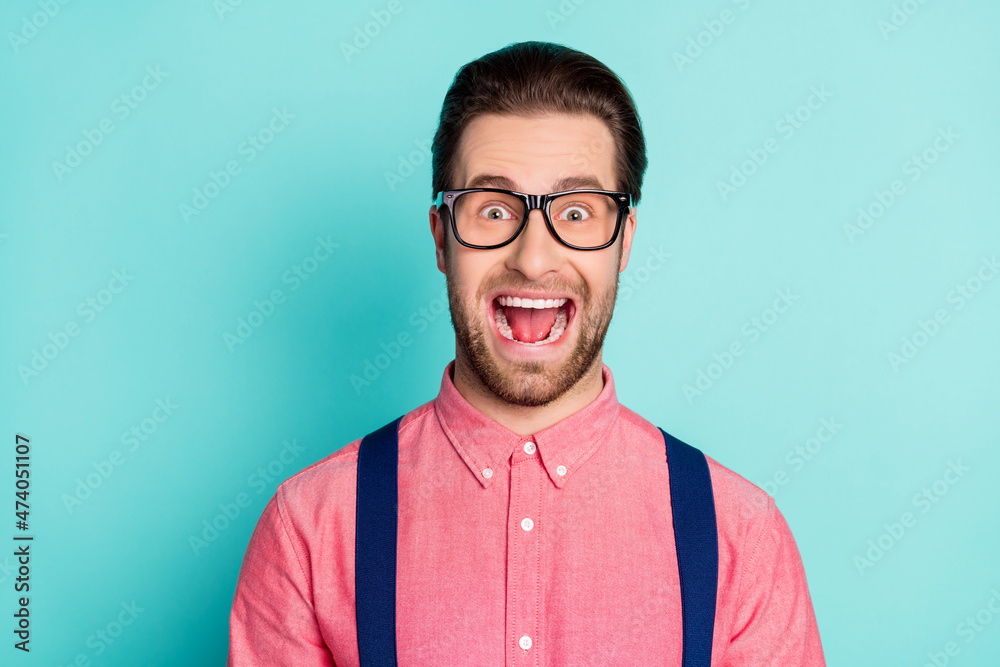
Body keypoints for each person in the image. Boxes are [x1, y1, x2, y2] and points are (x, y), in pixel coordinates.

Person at [228, 40, 826, 666]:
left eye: (576, 211)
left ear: (622, 244)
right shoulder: (310, 528)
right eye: (493, 210)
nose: (533, 257)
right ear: (441, 240)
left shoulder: (741, 535)